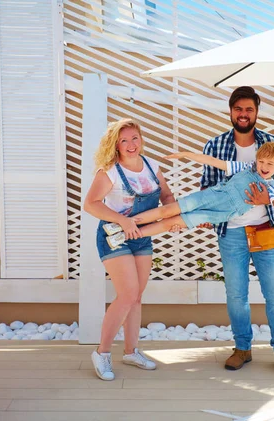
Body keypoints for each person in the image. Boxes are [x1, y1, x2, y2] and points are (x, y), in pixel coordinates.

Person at [203, 86, 274, 377]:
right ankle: (242, 348)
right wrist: (209, 212)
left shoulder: (273, 143)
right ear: (231, 111)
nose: (243, 114)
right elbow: (207, 187)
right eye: (238, 109)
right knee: (236, 295)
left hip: (265, 229)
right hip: (231, 231)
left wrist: (267, 197)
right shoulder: (215, 145)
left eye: (249, 109)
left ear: (256, 112)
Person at [83, 118, 177, 381]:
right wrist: (122, 219)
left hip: (142, 236)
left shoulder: (151, 166)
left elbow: (167, 197)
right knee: (127, 294)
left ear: (141, 138)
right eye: (124, 140)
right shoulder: (109, 171)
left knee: (136, 296)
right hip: (114, 237)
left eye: (134, 138)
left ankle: (131, 351)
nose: (130, 144)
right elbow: (90, 204)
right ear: (116, 144)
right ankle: (101, 353)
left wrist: (173, 218)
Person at [103, 143, 274, 265]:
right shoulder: (245, 167)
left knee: (170, 223)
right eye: (262, 161)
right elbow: (214, 161)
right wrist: (186, 155)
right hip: (213, 195)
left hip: (219, 214)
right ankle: (122, 223)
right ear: (256, 159)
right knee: (167, 210)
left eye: (270, 164)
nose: (264, 167)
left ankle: (121, 236)